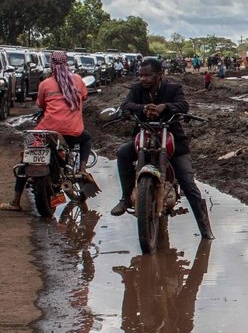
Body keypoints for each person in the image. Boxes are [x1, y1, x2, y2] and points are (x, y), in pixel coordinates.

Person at [110, 58, 214, 240]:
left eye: (148, 75)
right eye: (141, 75)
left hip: (172, 140)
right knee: (123, 153)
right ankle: (126, 197)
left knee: (188, 183)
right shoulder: (136, 90)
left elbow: (183, 105)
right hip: (143, 138)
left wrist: (164, 107)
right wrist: (143, 109)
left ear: (159, 75)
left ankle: (205, 229)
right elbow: (126, 105)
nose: (143, 79)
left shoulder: (173, 89)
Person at [2, 51, 95, 211]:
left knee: (27, 157)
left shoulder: (45, 84)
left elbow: (40, 104)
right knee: (86, 138)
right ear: (67, 64)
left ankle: (15, 202)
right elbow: (84, 96)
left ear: (51, 64)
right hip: (72, 133)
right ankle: (82, 169)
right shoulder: (78, 80)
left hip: (45, 132)